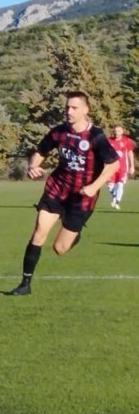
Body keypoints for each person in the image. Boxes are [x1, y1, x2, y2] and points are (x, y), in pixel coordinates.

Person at [9, 91, 119, 296]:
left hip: (81, 198)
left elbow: (113, 164)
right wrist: (32, 166)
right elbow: (40, 152)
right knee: (39, 232)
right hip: (57, 189)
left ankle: (73, 236)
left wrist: (94, 187)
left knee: (59, 248)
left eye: (74, 108)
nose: (69, 111)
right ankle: (25, 284)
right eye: (67, 107)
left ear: (86, 110)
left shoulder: (95, 136)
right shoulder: (58, 132)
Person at [106, 125, 136, 209]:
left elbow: (130, 153)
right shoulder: (109, 140)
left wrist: (132, 166)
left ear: (122, 132)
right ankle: (114, 197)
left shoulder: (126, 141)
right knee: (110, 186)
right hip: (111, 167)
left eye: (118, 131)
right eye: (115, 131)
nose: (116, 133)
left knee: (120, 184)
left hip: (122, 167)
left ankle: (117, 202)